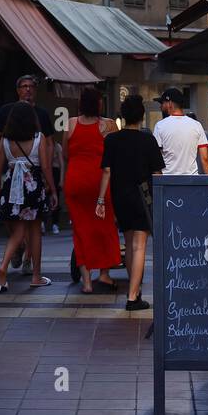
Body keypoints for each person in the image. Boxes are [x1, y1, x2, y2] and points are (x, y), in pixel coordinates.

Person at [98, 94, 165, 312]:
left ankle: (133, 289)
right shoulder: (148, 140)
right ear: (142, 116)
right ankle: (133, 295)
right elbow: (157, 173)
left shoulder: (111, 140)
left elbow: (107, 170)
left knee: (129, 244)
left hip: (120, 197)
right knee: (139, 247)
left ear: (123, 116)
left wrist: (100, 199)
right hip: (142, 197)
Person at [0, 75, 55, 273]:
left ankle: (26, 257)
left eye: (31, 86)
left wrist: (46, 168)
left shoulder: (41, 115)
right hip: (18, 177)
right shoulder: (6, 111)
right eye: (23, 86)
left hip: (28, 175)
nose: (27, 90)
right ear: (17, 90)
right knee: (17, 222)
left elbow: (49, 143)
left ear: (35, 90)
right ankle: (29, 261)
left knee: (27, 224)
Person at [63, 88, 120, 294]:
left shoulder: (70, 124)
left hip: (75, 181)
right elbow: (115, 156)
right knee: (104, 228)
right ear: (98, 103)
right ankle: (104, 275)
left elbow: (66, 153)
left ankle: (86, 282)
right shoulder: (108, 125)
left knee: (80, 230)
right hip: (100, 182)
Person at [153, 88, 208, 176]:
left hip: (168, 181)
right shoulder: (196, 125)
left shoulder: (160, 126)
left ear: (170, 103)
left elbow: (156, 159)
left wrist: (159, 182)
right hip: (191, 181)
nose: (161, 106)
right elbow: (205, 158)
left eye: (162, 103)